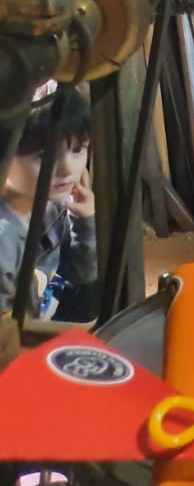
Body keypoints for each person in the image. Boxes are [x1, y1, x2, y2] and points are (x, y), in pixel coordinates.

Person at [1, 84, 97, 321]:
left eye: (78, 149)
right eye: (45, 156)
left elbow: (78, 276)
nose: (67, 169)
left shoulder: (51, 204)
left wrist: (84, 223)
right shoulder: (4, 239)